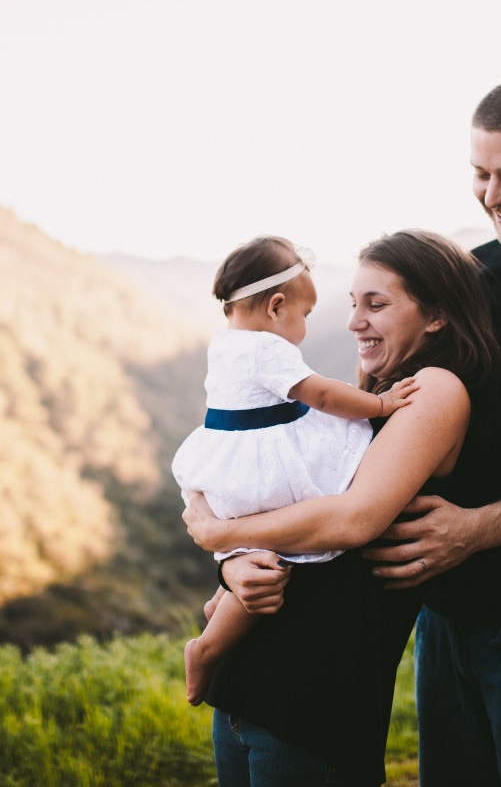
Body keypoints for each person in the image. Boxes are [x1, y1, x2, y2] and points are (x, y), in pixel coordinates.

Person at [209, 75, 501, 786]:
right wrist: (230, 549)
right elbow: (357, 445)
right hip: (448, 614)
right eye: (481, 174)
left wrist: (474, 530)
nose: (494, 194)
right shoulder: (472, 276)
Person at [183, 229, 501, 786]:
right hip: (250, 682)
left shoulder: (435, 388)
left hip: (315, 699)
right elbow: (255, 478)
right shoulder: (368, 391)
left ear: (436, 316)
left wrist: (216, 534)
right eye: (354, 303)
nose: (354, 321)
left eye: (376, 305)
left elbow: (352, 519)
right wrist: (231, 561)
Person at [172, 235, 420, 706]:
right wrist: (381, 402)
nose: (306, 326)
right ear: (276, 306)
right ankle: (207, 647)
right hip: (260, 470)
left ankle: (220, 603)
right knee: (274, 555)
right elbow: (322, 395)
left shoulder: (226, 343)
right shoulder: (267, 349)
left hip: (226, 461)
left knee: (253, 548)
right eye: (305, 315)